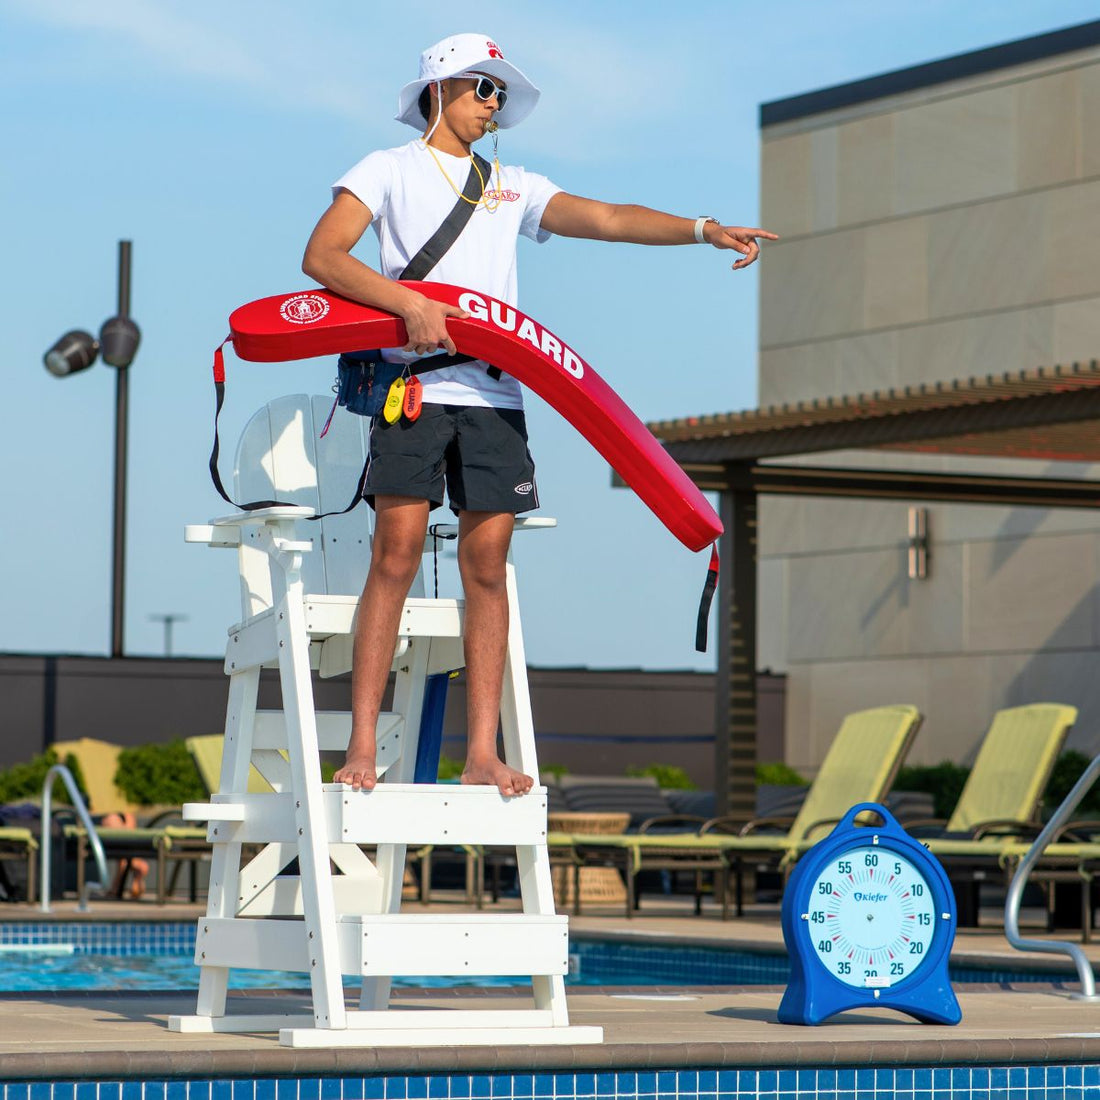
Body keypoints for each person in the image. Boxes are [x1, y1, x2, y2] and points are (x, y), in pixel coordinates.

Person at [302, 33, 776, 798]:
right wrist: (407, 303)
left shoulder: (509, 185)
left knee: (487, 569)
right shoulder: (384, 169)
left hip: (497, 395)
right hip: (415, 389)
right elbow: (324, 256)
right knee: (394, 554)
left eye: (499, 93)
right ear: (438, 90)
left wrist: (702, 230)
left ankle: (482, 752)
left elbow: (611, 217)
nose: (494, 105)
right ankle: (362, 742)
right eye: (481, 89)